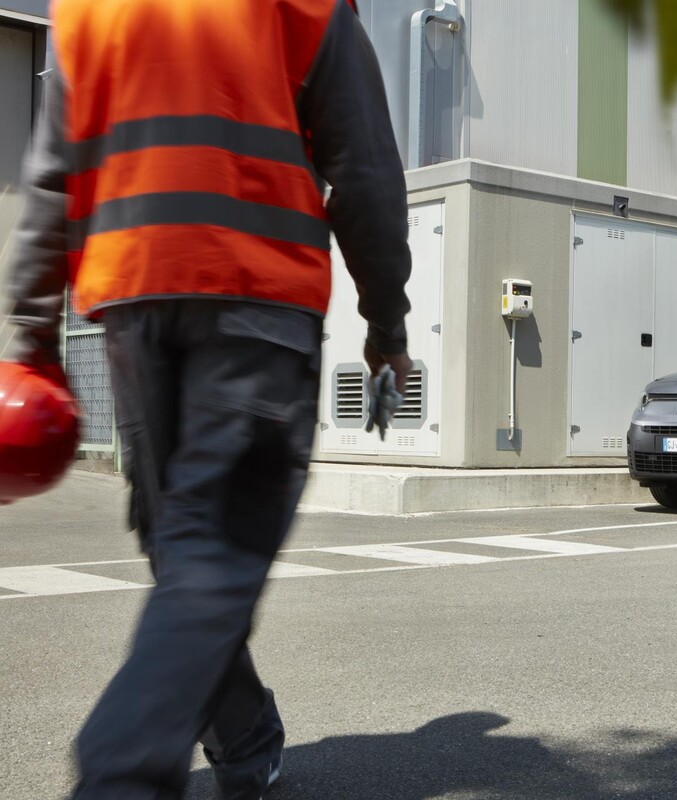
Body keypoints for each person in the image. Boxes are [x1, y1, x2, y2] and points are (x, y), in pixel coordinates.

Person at [3, 1, 412, 797]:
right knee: (212, 549)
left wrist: (29, 334)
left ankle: (245, 734)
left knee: (182, 546)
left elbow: (52, 175)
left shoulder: (86, 8)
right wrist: (387, 324)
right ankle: (122, 770)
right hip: (254, 293)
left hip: (132, 300)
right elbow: (362, 166)